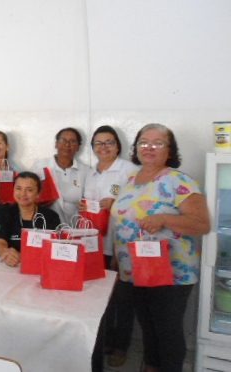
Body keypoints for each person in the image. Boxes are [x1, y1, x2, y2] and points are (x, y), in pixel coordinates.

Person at [112, 123, 210, 372]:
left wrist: (165, 219)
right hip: (135, 269)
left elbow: (202, 224)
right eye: (144, 142)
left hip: (171, 273)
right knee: (147, 323)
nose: (149, 148)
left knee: (166, 329)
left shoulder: (180, 181)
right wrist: (116, 254)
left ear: (170, 150)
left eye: (157, 143)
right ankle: (152, 365)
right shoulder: (131, 180)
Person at [80, 125, 139, 367]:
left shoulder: (129, 171)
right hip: (95, 244)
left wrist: (116, 203)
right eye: (98, 144)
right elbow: (88, 205)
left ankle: (121, 345)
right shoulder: (92, 173)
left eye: (109, 142)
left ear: (118, 146)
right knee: (99, 298)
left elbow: (140, 205)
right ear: (93, 148)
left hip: (120, 244)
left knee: (123, 299)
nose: (103, 147)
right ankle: (103, 341)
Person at [0, 171, 60, 266]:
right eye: (18, 188)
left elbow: (54, 248)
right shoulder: (6, 212)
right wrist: (6, 253)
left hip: (40, 266)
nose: (23, 194)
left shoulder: (50, 216)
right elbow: (0, 241)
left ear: (38, 194)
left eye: (29, 190)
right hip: (12, 267)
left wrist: (24, 257)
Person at [32, 127, 89, 225]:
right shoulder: (40, 166)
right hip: (45, 225)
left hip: (74, 228)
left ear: (78, 147)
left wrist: (87, 205)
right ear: (56, 144)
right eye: (63, 140)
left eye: (72, 141)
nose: (67, 145)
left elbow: (89, 201)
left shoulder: (86, 171)